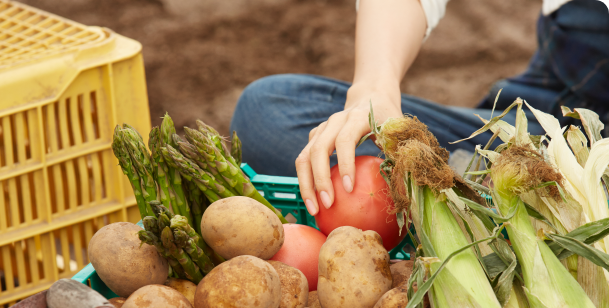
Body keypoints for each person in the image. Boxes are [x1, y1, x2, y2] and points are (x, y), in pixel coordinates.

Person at [230, 0, 609, 216]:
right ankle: (476, 187)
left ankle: (478, 195)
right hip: (551, 109)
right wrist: (373, 89)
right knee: (268, 113)